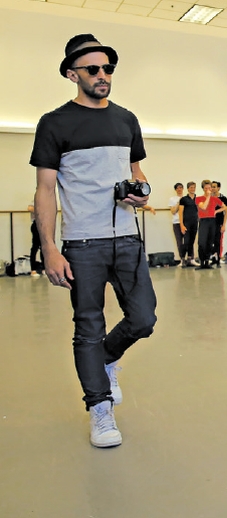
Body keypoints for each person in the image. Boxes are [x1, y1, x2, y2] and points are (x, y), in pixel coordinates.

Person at [30, 33, 157, 448]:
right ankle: (99, 408)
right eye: (93, 69)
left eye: (108, 69)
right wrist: (49, 248)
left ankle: (105, 359)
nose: (103, 76)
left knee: (143, 320)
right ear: (73, 74)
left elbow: (136, 172)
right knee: (87, 327)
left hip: (127, 239)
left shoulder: (126, 118)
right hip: (83, 243)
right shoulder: (54, 123)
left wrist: (142, 191)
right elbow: (45, 190)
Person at [195, 179, 225, 269]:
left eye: (210, 187)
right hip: (204, 221)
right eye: (206, 188)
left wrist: (216, 211)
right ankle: (202, 262)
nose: (209, 189)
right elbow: (203, 207)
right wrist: (208, 197)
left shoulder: (215, 199)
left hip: (212, 221)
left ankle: (207, 261)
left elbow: (224, 207)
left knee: (209, 242)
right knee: (202, 242)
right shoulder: (198, 198)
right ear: (203, 189)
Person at [179, 181, 199, 267]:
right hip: (186, 223)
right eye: (191, 187)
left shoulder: (198, 199)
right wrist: (182, 225)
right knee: (186, 242)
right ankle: (182, 259)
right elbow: (180, 213)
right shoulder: (183, 199)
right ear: (188, 189)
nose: (193, 189)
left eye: (194, 187)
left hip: (195, 222)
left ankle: (191, 259)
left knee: (192, 241)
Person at [211, 181, 227, 265]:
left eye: (214, 187)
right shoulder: (208, 198)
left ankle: (219, 256)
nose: (213, 188)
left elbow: (226, 212)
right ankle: (212, 256)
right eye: (212, 187)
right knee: (210, 240)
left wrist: (224, 225)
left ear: (218, 188)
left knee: (219, 241)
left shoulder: (223, 198)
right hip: (210, 223)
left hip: (219, 223)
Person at [169, 183, 185, 262]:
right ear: (175, 189)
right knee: (179, 241)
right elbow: (173, 211)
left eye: (181, 188)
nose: (179, 189)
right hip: (176, 222)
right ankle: (182, 259)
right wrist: (180, 202)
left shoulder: (187, 198)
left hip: (186, 222)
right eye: (178, 188)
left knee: (189, 241)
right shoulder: (172, 199)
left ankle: (190, 258)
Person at [27, 197, 43, 275]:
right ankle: (33, 269)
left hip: (44, 225)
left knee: (44, 246)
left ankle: (44, 267)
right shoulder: (36, 200)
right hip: (36, 224)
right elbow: (29, 208)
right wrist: (40, 210)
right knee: (35, 247)